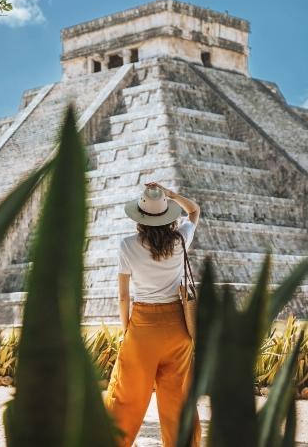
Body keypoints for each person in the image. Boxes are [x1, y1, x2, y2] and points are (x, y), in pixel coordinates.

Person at [103, 181, 202, 447]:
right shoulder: (181, 239)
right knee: (178, 401)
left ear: (140, 217)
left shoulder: (127, 245)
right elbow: (194, 211)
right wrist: (171, 195)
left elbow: (123, 296)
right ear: (168, 215)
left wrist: (127, 329)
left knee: (126, 398)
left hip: (142, 329)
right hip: (177, 330)